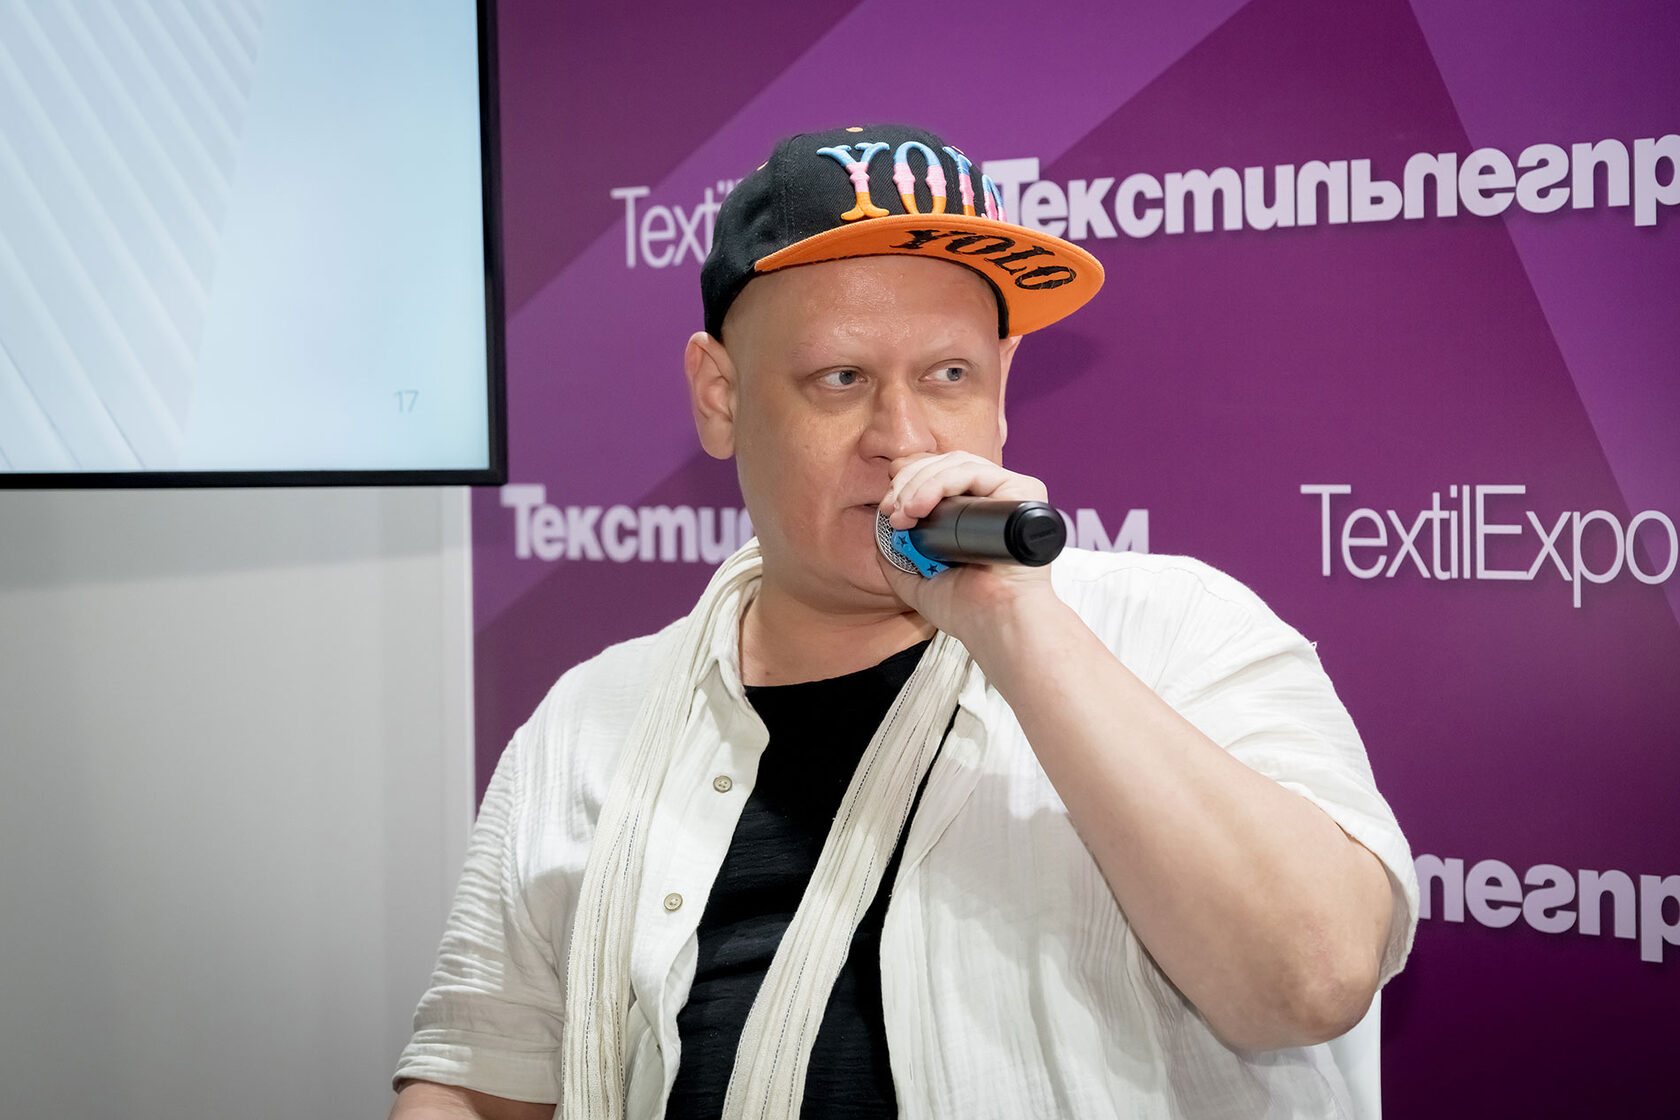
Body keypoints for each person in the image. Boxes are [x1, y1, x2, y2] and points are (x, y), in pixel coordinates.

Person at [390, 124, 1418, 1120]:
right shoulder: (588, 720)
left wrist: (1016, 625)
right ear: (720, 397)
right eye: (840, 380)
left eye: (949, 376)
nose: (904, 437)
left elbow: (1313, 980)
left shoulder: (1182, 631)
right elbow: (474, 1085)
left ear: (1003, 388)